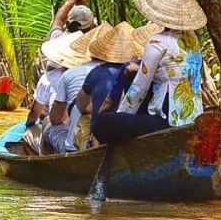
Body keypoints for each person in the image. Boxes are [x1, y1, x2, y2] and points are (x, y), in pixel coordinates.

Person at [94, 0, 206, 145]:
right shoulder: (193, 42)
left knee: (104, 122)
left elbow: (140, 86)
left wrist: (122, 116)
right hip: (193, 119)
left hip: (167, 121)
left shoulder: (158, 41)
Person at [43, 22, 112, 154]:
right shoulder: (123, 72)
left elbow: (55, 119)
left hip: (74, 147)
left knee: (47, 124)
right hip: (108, 143)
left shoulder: (70, 74)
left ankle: (43, 167)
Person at [72, 22, 137, 150]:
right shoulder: (142, 71)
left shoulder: (97, 72)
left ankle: (88, 146)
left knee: (82, 120)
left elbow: (80, 106)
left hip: (104, 136)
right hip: (130, 131)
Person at [22, 30, 89, 154]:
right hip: (90, 136)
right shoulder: (97, 72)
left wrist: (28, 125)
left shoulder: (54, 77)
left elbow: (37, 115)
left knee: (45, 122)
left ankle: (44, 163)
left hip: (72, 140)